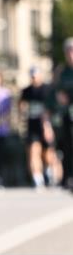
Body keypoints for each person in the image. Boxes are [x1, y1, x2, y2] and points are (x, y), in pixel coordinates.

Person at [19, 66, 58, 188]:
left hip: (45, 125)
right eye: (32, 77)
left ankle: (49, 172)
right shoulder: (27, 91)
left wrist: (48, 127)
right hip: (32, 125)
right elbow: (21, 105)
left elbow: (51, 109)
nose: (34, 79)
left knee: (48, 154)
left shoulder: (47, 89)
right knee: (33, 151)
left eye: (35, 76)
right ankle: (37, 178)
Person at [51, 37, 73, 190]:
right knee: (66, 145)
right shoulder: (62, 71)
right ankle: (67, 177)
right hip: (67, 114)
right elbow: (56, 91)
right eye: (68, 51)